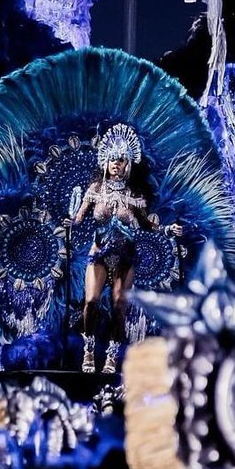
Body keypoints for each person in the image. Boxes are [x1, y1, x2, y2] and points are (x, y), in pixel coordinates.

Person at [71, 121, 181, 373]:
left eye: (120, 160)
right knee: (91, 302)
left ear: (127, 164)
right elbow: (78, 218)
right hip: (98, 254)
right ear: (106, 162)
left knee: (119, 303)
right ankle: (88, 351)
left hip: (125, 257)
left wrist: (167, 230)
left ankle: (111, 356)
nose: (115, 164)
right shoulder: (95, 189)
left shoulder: (135, 195)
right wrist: (70, 222)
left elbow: (147, 225)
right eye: (112, 159)